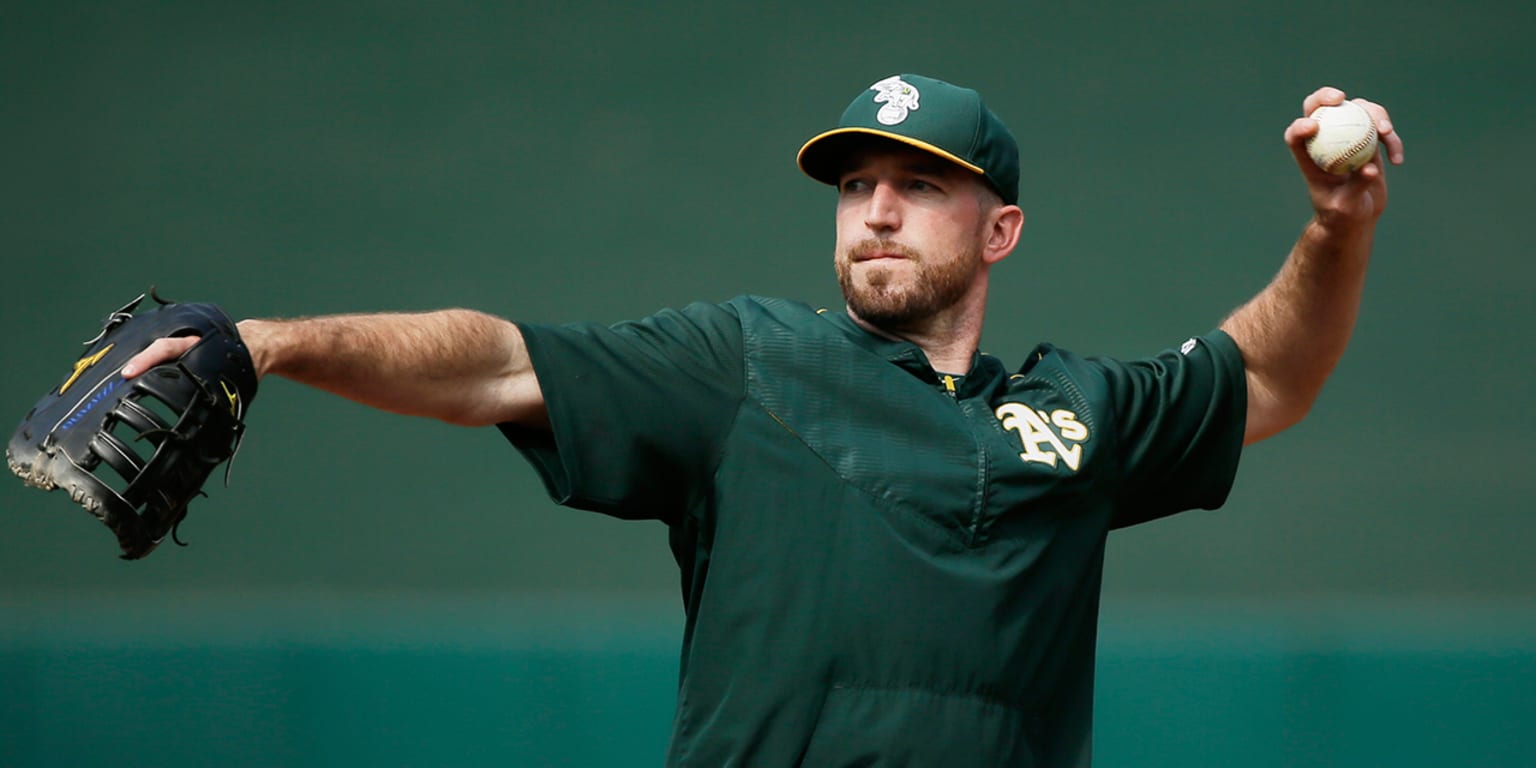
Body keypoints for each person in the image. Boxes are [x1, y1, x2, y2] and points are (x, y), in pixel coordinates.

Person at [124, 74, 1403, 766]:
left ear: (1000, 230)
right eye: (857, 184)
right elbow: (492, 365)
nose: (878, 210)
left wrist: (1334, 228)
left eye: (920, 185)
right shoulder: (744, 364)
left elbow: (1268, 378)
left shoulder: (1078, 413)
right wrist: (275, 344)